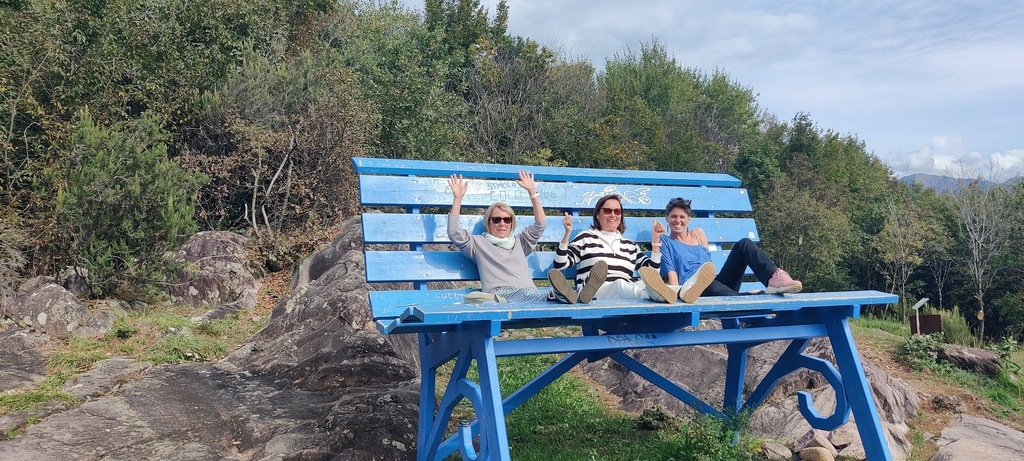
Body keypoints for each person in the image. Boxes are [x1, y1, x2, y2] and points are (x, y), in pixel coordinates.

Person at [447, 171, 597, 304]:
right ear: (488, 223)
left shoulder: (520, 241)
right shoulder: (477, 244)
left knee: (534, 295)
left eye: (507, 220)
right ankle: (562, 294)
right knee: (538, 296)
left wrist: (532, 191)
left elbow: (540, 224)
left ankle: (575, 295)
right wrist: (458, 198)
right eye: (496, 219)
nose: (502, 223)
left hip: (530, 293)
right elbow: (454, 232)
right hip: (501, 295)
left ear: (511, 223)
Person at [551, 193, 690, 304]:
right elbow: (560, 264)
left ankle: (684, 291)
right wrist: (567, 233)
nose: (613, 215)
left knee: (641, 284)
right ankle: (656, 295)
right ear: (598, 215)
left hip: (626, 293)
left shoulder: (629, 245)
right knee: (620, 285)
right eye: (607, 211)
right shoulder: (585, 237)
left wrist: (656, 241)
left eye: (617, 211)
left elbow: (652, 273)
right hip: (597, 293)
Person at [659, 197, 802, 300]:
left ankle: (773, 278)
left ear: (688, 219)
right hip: (693, 291)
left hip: (714, 284)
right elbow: (672, 272)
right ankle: (753, 299)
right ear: (667, 218)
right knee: (710, 285)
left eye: (682, 217)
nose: (678, 220)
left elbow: (708, 266)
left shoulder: (698, 233)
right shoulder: (665, 241)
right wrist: (675, 296)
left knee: (744, 244)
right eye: (673, 216)